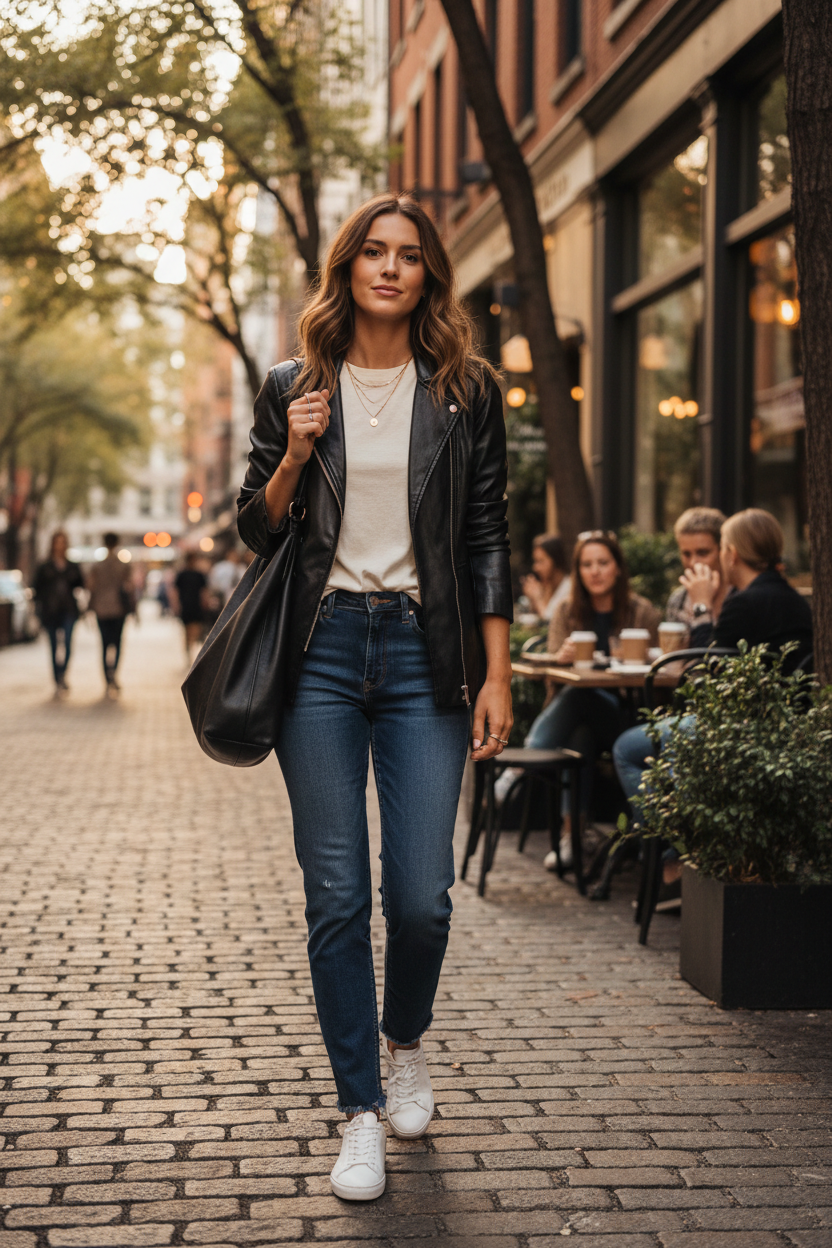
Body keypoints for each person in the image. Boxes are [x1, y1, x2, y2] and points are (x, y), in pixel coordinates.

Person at [235, 192, 512, 1201]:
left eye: (409, 256)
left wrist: (498, 673)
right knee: (338, 895)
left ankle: (406, 1043)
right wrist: (298, 453)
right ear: (347, 266)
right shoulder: (292, 384)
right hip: (317, 654)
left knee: (423, 898)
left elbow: (487, 536)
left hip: (421, 656)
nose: (391, 269)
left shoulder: (465, 389)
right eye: (374, 253)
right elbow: (255, 529)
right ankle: (357, 1109)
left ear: (428, 274)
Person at [613, 508, 813, 897]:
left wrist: (702, 608)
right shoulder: (794, 599)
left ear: (732, 554)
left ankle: (672, 858)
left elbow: (711, 678)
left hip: (741, 727)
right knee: (666, 760)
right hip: (785, 725)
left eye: (718, 548)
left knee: (626, 747)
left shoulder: (745, 602)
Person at [501, 532, 660, 868]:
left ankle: (519, 767)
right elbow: (552, 677)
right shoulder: (567, 611)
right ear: (578, 571)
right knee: (580, 731)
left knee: (581, 696)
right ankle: (571, 836)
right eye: (587, 565)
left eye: (603, 563)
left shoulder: (642, 612)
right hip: (583, 714)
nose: (595, 571)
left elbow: (659, 674)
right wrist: (560, 658)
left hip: (627, 718)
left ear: (618, 568)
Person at [33, 531, 84, 696]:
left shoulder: (72, 566)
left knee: (68, 644)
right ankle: (57, 679)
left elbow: (81, 585)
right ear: (53, 544)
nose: (60, 545)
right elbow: (37, 590)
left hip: (69, 610)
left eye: (63, 542)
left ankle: (62, 674)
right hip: (50, 611)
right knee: (54, 646)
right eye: (57, 542)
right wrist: (38, 609)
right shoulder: (45, 566)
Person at [665, 507, 730, 627]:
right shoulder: (679, 600)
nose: (693, 562)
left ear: (722, 550)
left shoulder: (739, 596)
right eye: (686, 554)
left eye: (703, 553)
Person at [87, 533, 134, 696]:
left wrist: (89, 608)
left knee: (104, 644)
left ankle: (107, 678)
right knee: (118, 643)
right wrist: (134, 610)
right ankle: (114, 673)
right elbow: (130, 589)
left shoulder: (96, 566)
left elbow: (91, 588)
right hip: (118, 609)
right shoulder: (123, 566)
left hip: (101, 609)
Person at [519, 534, 570, 623]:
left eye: (540, 561)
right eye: (535, 561)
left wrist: (537, 598)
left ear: (556, 560)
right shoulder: (547, 586)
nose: (535, 567)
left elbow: (550, 622)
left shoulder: (569, 587)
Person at [173, 552, 207, 663]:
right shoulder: (183, 574)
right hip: (187, 605)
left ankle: (191, 649)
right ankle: (189, 651)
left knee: (195, 629)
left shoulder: (198, 574)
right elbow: (175, 591)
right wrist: (176, 605)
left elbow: (204, 591)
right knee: (187, 630)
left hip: (193, 605)